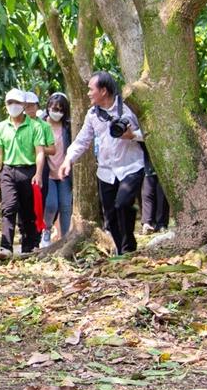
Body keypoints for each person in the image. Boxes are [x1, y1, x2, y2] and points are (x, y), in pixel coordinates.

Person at [55, 72, 146, 255]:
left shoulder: (128, 109)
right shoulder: (92, 115)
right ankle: (121, 251)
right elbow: (82, 141)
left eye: (91, 89)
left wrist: (132, 135)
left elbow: (150, 135)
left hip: (131, 166)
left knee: (123, 204)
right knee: (110, 215)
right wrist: (67, 160)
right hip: (106, 171)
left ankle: (130, 247)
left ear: (103, 91)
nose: (88, 93)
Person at [0, 88, 46, 253]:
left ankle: (29, 246)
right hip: (8, 171)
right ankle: (6, 246)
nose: (13, 105)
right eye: (10, 102)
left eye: (17, 102)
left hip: (28, 171)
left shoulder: (35, 126)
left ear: (23, 105)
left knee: (28, 211)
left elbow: (40, 152)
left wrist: (38, 173)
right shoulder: (1, 127)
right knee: (9, 207)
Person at [40, 92, 73, 246]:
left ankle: (65, 238)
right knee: (51, 204)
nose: (57, 112)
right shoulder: (40, 125)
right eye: (54, 108)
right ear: (48, 107)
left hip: (64, 172)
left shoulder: (68, 127)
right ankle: (46, 230)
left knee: (66, 205)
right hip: (47, 172)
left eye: (60, 110)